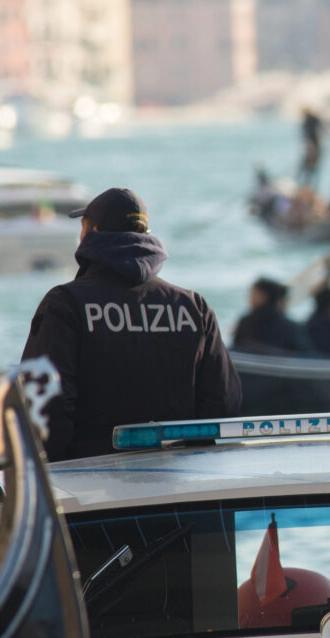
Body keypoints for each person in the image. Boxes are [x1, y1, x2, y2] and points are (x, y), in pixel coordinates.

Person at [20, 187, 241, 460]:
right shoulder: (193, 307)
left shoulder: (66, 304)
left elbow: (44, 404)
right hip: (178, 476)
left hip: (87, 478)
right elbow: (222, 404)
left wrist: (56, 469)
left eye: (82, 227)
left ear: (93, 232)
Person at [233, 277, 307, 354]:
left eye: (253, 293)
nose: (249, 298)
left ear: (263, 296)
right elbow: (305, 355)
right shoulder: (292, 327)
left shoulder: (246, 322)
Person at [298, 106, 324, 188]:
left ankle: (309, 187)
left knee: (311, 170)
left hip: (314, 149)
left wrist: (311, 147)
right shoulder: (309, 122)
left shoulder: (312, 122)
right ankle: (306, 186)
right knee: (307, 170)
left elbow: (317, 134)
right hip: (312, 149)